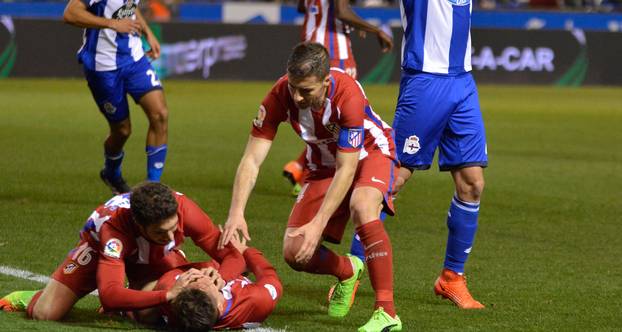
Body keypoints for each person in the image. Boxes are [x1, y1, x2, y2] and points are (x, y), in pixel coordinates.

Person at [219, 42, 401, 332]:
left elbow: (348, 168)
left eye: (307, 90)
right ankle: (348, 270)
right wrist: (236, 212)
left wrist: (319, 223)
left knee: (363, 207)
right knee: (294, 252)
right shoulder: (279, 95)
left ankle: (386, 312)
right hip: (323, 166)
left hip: (369, 154)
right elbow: (251, 159)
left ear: (326, 82)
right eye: (293, 87)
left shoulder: (347, 94)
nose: (297, 96)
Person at [0, 182, 245, 320]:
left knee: (153, 312)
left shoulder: (184, 210)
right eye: (161, 233)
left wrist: (222, 275)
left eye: (174, 229)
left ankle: (127, 307)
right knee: (46, 313)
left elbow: (233, 255)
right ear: (139, 225)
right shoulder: (113, 230)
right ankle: (33, 296)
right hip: (98, 253)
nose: (172, 237)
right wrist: (168, 294)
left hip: (153, 257)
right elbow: (109, 293)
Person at [392, 0, 488, 309]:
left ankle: (452, 277)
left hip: (462, 82)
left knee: (472, 183)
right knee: (392, 179)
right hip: (425, 79)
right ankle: (352, 268)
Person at [285, 0, 394, 196]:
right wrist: (374, 30)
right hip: (334, 52)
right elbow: (342, 11)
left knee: (323, 117)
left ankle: (299, 167)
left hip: (310, 47)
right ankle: (311, 172)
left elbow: (303, 7)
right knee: (343, 116)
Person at [63, 0, 170, 194]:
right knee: (122, 130)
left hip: (134, 59)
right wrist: (112, 23)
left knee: (160, 114)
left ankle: (152, 189)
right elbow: (70, 13)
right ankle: (111, 173)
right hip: (103, 67)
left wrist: (148, 33)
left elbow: (129, 6)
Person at [138, 236, 282, 330]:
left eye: (193, 283)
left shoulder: (171, 289)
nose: (200, 278)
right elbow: (268, 274)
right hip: (232, 271)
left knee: (164, 254)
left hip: (178, 270)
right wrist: (244, 251)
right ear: (220, 305)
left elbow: (146, 309)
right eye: (206, 285)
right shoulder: (256, 301)